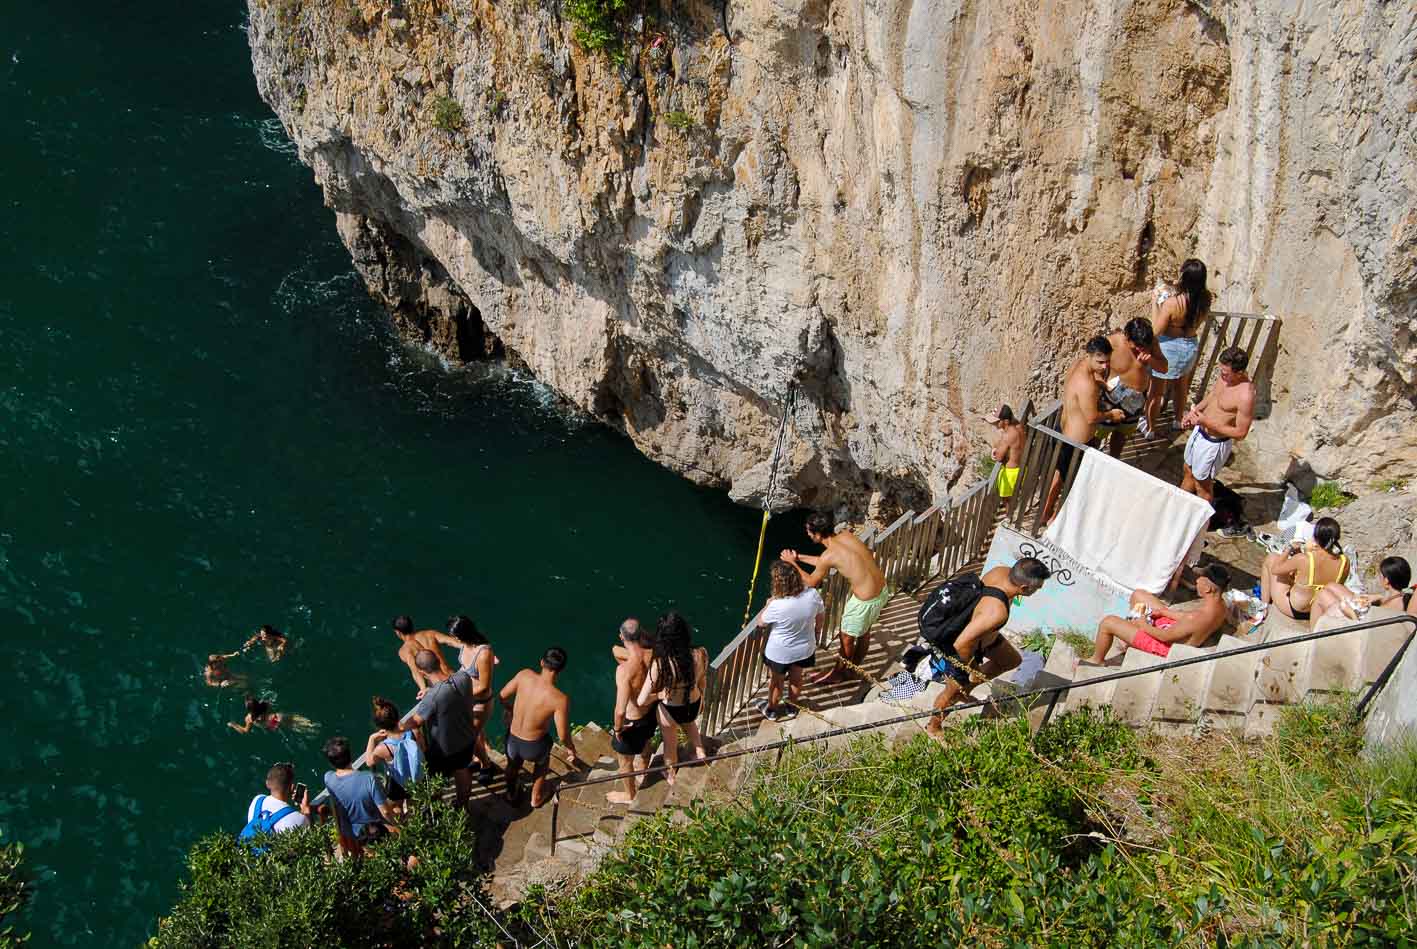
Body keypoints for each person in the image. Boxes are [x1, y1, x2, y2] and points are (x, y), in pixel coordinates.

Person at [925, 558, 1050, 735]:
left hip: (983, 636)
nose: (1039, 590)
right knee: (952, 690)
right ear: (1023, 588)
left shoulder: (1001, 571)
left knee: (1011, 660)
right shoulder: (996, 612)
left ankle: (965, 691)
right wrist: (972, 669)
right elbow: (962, 643)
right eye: (1037, 588)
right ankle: (934, 726)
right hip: (962, 646)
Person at [781, 511, 888, 685]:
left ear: (817, 534)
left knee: (846, 637)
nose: (807, 534)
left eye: (809, 531)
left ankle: (839, 673)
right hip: (881, 591)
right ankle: (853, 669)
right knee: (864, 631)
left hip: (864, 600)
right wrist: (799, 557)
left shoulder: (829, 555)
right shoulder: (847, 536)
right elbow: (829, 561)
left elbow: (812, 581)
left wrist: (791, 563)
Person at [1086, 564, 1231, 663]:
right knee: (1139, 596)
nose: (1197, 580)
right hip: (1178, 632)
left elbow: (1164, 636)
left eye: (1200, 579)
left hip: (1165, 648)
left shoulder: (1196, 618)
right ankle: (1129, 637)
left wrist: (1142, 624)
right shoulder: (1221, 606)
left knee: (1108, 622)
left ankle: (1097, 660)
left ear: (1207, 588)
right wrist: (1164, 612)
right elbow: (1187, 618)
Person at [500, 648, 584, 807]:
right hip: (534, 747)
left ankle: (511, 794)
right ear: (560, 670)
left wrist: (509, 709)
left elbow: (502, 695)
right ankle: (536, 798)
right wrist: (570, 748)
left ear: (541, 662)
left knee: (513, 765)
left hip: (512, 739)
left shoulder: (524, 675)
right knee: (542, 762)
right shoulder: (560, 699)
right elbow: (562, 734)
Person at [1042, 335, 1112, 522]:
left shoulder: (1078, 366)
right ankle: (1054, 521)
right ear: (1089, 356)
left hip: (1063, 432)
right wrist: (1112, 414)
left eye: (1107, 362)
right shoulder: (1086, 384)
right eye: (1100, 362)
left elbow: (1093, 378)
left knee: (1059, 476)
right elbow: (1091, 417)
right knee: (1072, 483)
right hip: (1076, 442)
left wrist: (1103, 384)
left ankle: (1044, 513)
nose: (1105, 367)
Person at [1179, 346, 1255, 503]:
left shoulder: (1245, 395)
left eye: (1226, 373)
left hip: (1214, 444)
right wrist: (1193, 413)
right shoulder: (1224, 377)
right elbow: (1213, 396)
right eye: (1221, 371)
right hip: (1199, 431)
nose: (1222, 376)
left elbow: (1241, 433)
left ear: (1239, 373)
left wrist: (1207, 422)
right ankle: (1180, 504)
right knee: (1188, 469)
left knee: (1202, 485)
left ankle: (1201, 524)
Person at [640, 611, 709, 781]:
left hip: (671, 711)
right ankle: (700, 752)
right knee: (690, 723)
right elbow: (702, 682)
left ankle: (671, 775)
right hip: (694, 703)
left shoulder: (660, 664)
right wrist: (702, 700)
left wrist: (658, 695)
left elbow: (641, 700)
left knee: (670, 746)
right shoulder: (700, 654)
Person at [753, 560, 824, 722]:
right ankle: (792, 707)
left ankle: (771, 710)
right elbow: (820, 616)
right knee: (797, 678)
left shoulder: (777, 604)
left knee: (776, 682)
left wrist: (767, 604)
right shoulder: (812, 595)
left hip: (780, 653)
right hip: (805, 648)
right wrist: (817, 633)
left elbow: (761, 622)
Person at [1146, 258, 1212, 435]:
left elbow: (1156, 331)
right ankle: (1177, 420)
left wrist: (1155, 303)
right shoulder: (1206, 299)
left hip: (1168, 348)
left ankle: (1151, 428)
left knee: (1156, 391)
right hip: (1189, 346)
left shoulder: (1172, 304)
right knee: (1181, 386)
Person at [405, 650, 477, 807]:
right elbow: (448, 688)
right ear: (438, 660)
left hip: (446, 748)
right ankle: (462, 805)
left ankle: (436, 810)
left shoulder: (432, 698)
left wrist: (398, 726)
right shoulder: (464, 677)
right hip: (468, 737)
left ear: (422, 672)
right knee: (463, 770)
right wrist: (431, 691)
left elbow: (415, 722)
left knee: (433, 778)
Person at [432, 615, 499, 778]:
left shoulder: (483, 653)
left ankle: (486, 765)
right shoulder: (464, 644)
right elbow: (464, 668)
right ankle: (480, 759)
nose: (453, 639)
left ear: (464, 634)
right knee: (471, 734)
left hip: (479, 703)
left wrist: (456, 692)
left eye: (455, 636)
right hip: (466, 698)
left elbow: (484, 686)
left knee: (468, 737)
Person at [1096, 318, 1167, 455]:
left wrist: (1151, 360)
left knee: (1121, 436)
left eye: (1143, 345)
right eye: (1137, 345)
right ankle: (1089, 460)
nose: (1140, 349)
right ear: (1127, 337)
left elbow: (1164, 368)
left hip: (1136, 401)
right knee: (1098, 434)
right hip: (1111, 398)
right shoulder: (1113, 342)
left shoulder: (1151, 343)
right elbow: (1093, 367)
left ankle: (1113, 460)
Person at [322, 736, 398, 858]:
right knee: (396, 813)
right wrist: (397, 826)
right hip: (374, 831)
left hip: (349, 832)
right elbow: (385, 812)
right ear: (350, 756)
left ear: (331, 762)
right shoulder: (368, 778)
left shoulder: (328, 778)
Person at [1261, 517, 1350, 621]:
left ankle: (1263, 607)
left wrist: (1289, 547)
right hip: (1319, 609)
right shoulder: (1344, 561)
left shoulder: (1304, 559)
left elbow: (1275, 569)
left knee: (1271, 558)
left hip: (1296, 609)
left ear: (1315, 538)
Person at [606, 622, 657, 804]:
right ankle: (643, 766)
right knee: (646, 740)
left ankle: (630, 795)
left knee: (625, 762)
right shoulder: (654, 655)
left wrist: (618, 729)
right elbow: (616, 650)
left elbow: (620, 710)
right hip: (650, 711)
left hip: (631, 721)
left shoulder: (624, 671)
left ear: (622, 637)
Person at [363, 696, 424, 817]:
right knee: (414, 804)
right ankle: (415, 823)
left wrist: (372, 739)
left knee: (396, 806)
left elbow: (369, 762)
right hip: (416, 777)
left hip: (397, 782)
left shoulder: (383, 748)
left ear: (380, 726)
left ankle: (403, 827)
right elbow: (423, 748)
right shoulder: (414, 732)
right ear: (397, 716)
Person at [1311, 556, 1412, 627]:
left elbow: (1367, 631)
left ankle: (1313, 637)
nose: (1379, 578)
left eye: (1380, 576)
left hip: (1358, 626)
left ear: (1386, 581)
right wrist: (1380, 597)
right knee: (1331, 586)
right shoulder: (1402, 597)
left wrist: (1349, 612)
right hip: (1364, 617)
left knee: (1322, 595)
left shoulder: (1389, 609)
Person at [241, 761, 312, 838]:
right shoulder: (298, 818)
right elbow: (311, 835)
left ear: (267, 783)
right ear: (292, 787)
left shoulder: (257, 800)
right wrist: (306, 810)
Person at [391, 615, 452, 692]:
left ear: (398, 632)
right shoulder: (430, 634)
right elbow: (454, 642)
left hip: (439, 687)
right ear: (411, 626)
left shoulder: (404, 650)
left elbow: (415, 671)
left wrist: (423, 688)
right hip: (452, 676)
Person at [985, 404, 1025, 508]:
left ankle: (1009, 518)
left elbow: (998, 457)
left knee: (1007, 500)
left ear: (1006, 421)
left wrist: (994, 451)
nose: (994, 424)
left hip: (1010, 473)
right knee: (1016, 497)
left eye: (997, 421)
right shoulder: (1019, 426)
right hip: (1022, 467)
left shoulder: (1008, 435)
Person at [227, 695, 317, 735]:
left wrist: (233, 724)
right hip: (279, 716)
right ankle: (315, 725)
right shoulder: (265, 704)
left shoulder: (249, 719)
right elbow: (273, 707)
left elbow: (245, 731)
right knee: (307, 723)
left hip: (273, 725)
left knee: (305, 730)